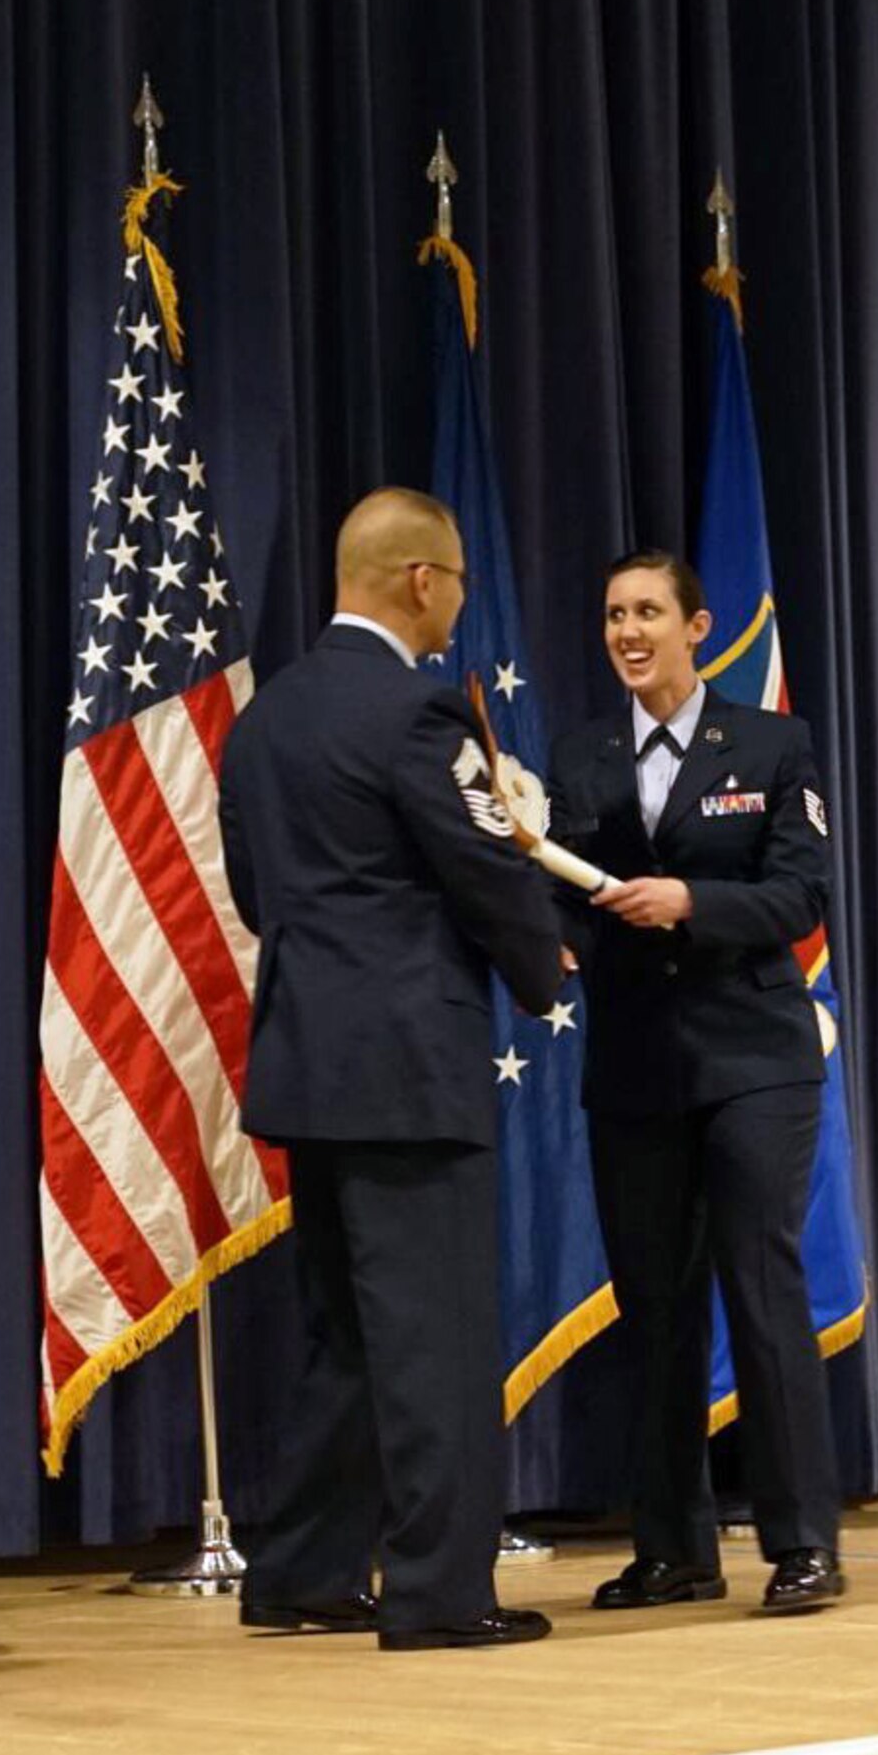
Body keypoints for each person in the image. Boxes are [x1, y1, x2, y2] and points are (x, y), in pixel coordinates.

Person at [218, 486, 565, 1651]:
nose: (458, 602)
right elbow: (485, 866)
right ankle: (438, 1589)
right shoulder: (419, 717)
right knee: (439, 1338)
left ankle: (304, 1570)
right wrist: (544, 966)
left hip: (311, 1064)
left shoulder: (264, 722)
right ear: (422, 580)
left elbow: (258, 896)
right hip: (412, 1067)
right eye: (457, 580)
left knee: (347, 1334)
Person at [548, 549, 843, 1614]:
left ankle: (802, 1541)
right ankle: (673, 1548)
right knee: (656, 1310)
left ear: (696, 624)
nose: (628, 632)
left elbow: (800, 894)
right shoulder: (578, 759)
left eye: (647, 612)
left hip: (755, 1062)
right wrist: (559, 935)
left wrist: (690, 902)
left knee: (761, 1291)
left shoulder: (770, 744)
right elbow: (562, 896)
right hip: (634, 1070)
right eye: (613, 613)